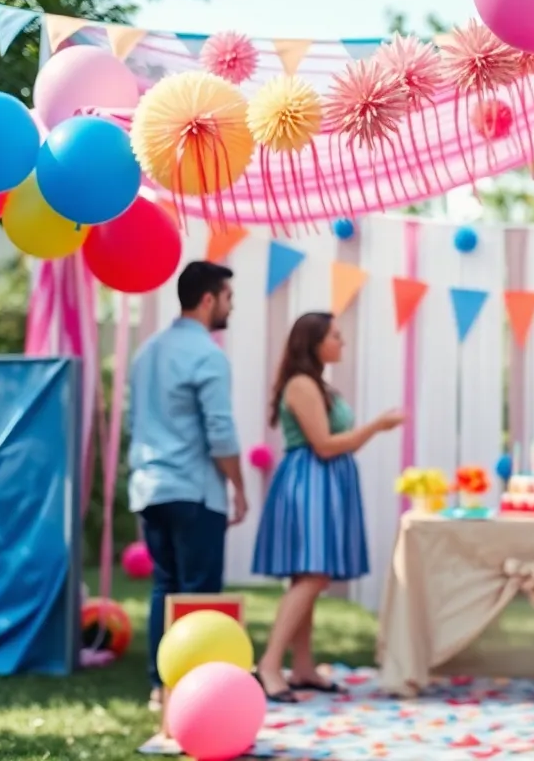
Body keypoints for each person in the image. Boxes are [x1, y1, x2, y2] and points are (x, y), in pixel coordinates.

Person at [251, 312, 405, 702]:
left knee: (309, 577)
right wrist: (377, 426)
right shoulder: (302, 384)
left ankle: (302, 666)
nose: (342, 342)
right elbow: (325, 444)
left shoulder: (315, 383)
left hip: (323, 482)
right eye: (336, 335)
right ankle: (270, 665)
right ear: (315, 341)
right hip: (310, 482)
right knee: (314, 575)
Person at [127, 261, 247, 711]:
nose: (231, 307)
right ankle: (194, 688)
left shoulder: (147, 352)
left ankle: (161, 686)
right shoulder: (208, 355)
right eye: (229, 298)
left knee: (166, 587)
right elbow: (221, 433)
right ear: (209, 299)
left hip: (150, 487)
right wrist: (239, 486)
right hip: (193, 491)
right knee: (198, 593)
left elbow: (132, 421)